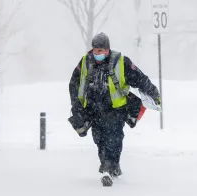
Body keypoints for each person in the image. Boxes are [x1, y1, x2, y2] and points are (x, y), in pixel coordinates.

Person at [68, 32, 161, 185]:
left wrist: (152, 91)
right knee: (99, 140)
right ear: (92, 49)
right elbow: (74, 84)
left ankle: (108, 168)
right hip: (93, 110)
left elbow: (139, 78)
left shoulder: (121, 62)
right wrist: (76, 106)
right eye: (96, 50)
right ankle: (110, 166)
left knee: (114, 139)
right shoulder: (85, 62)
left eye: (102, 50)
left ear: (108, 50)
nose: (99, 54)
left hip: (115, 110)